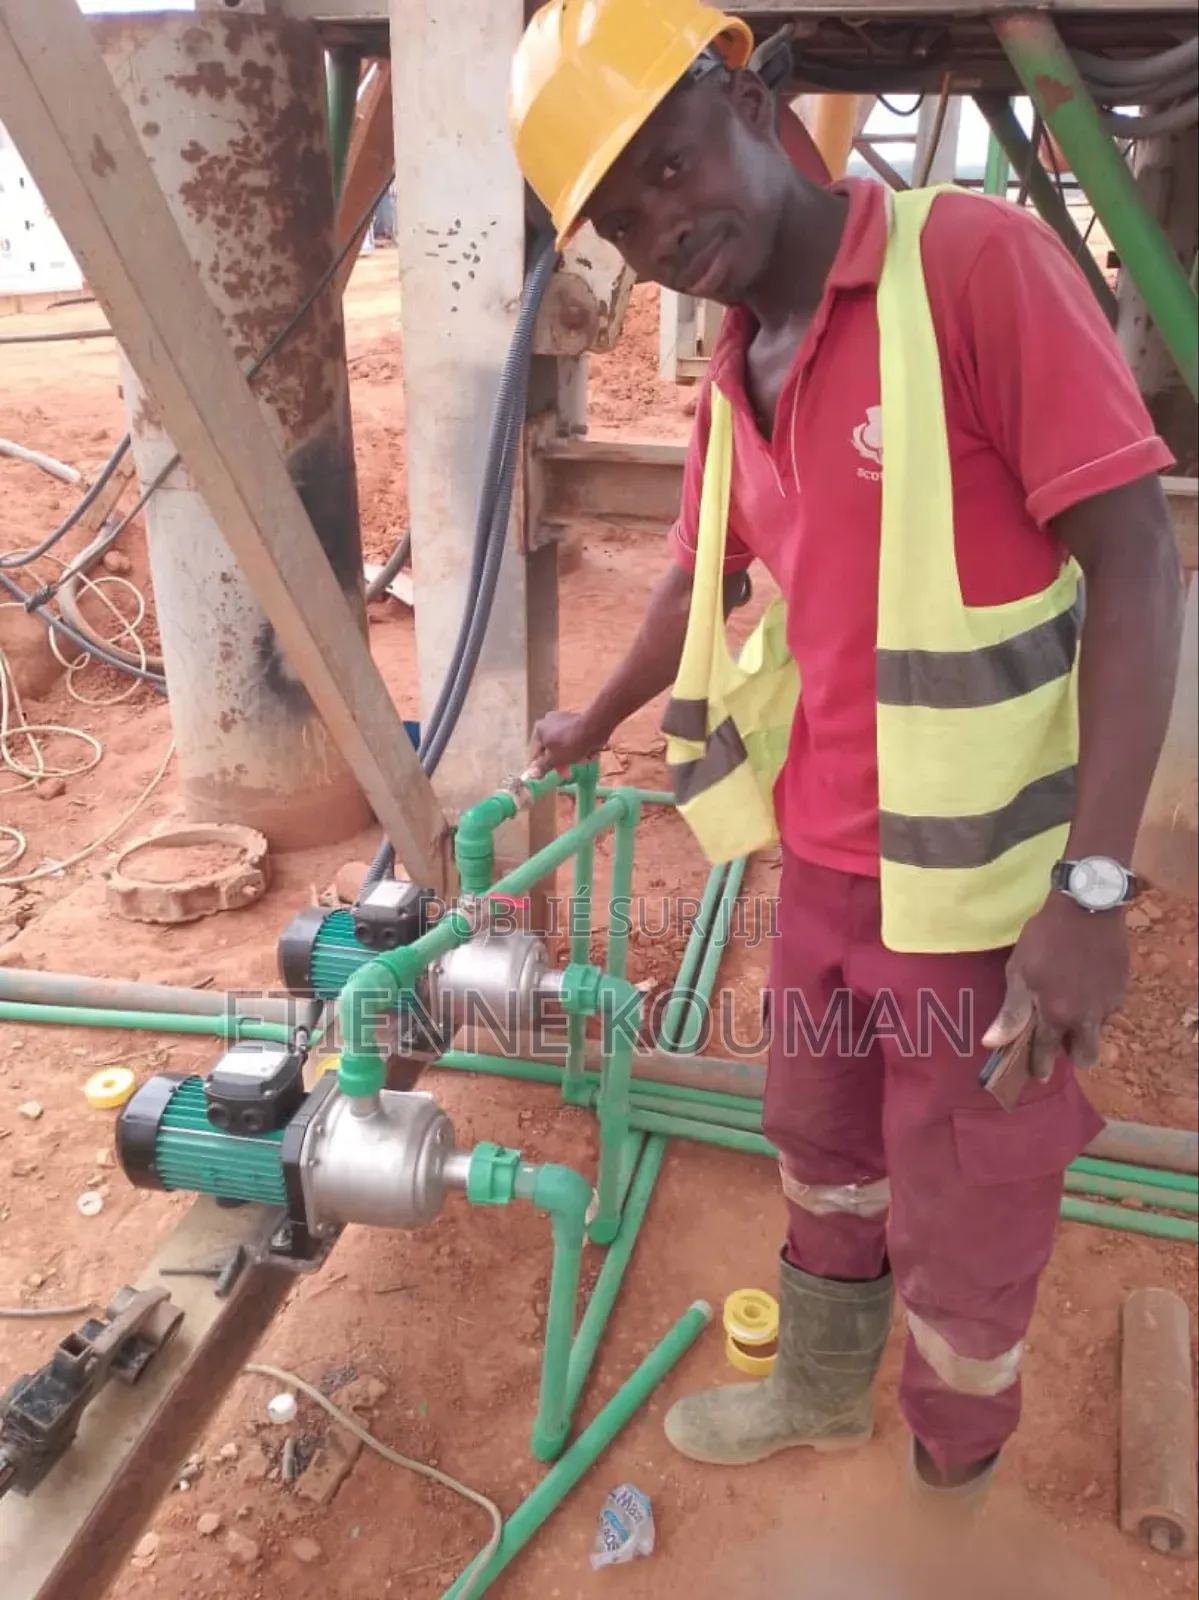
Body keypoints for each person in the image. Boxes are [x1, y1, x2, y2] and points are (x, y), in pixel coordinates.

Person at [508, 0, 1185, 1507]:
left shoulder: (970, 268)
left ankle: (954, 1457)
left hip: (978, 894)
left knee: (966, 1183)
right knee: (815, 1134)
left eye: (668, 169)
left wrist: (1087, 891)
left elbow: (1139, 562)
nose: (660, 227)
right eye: (621, 219)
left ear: (750, 100)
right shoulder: (736, 363)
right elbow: (697, 575)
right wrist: (593, 717)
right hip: (817, 866)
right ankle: (819, 1390)